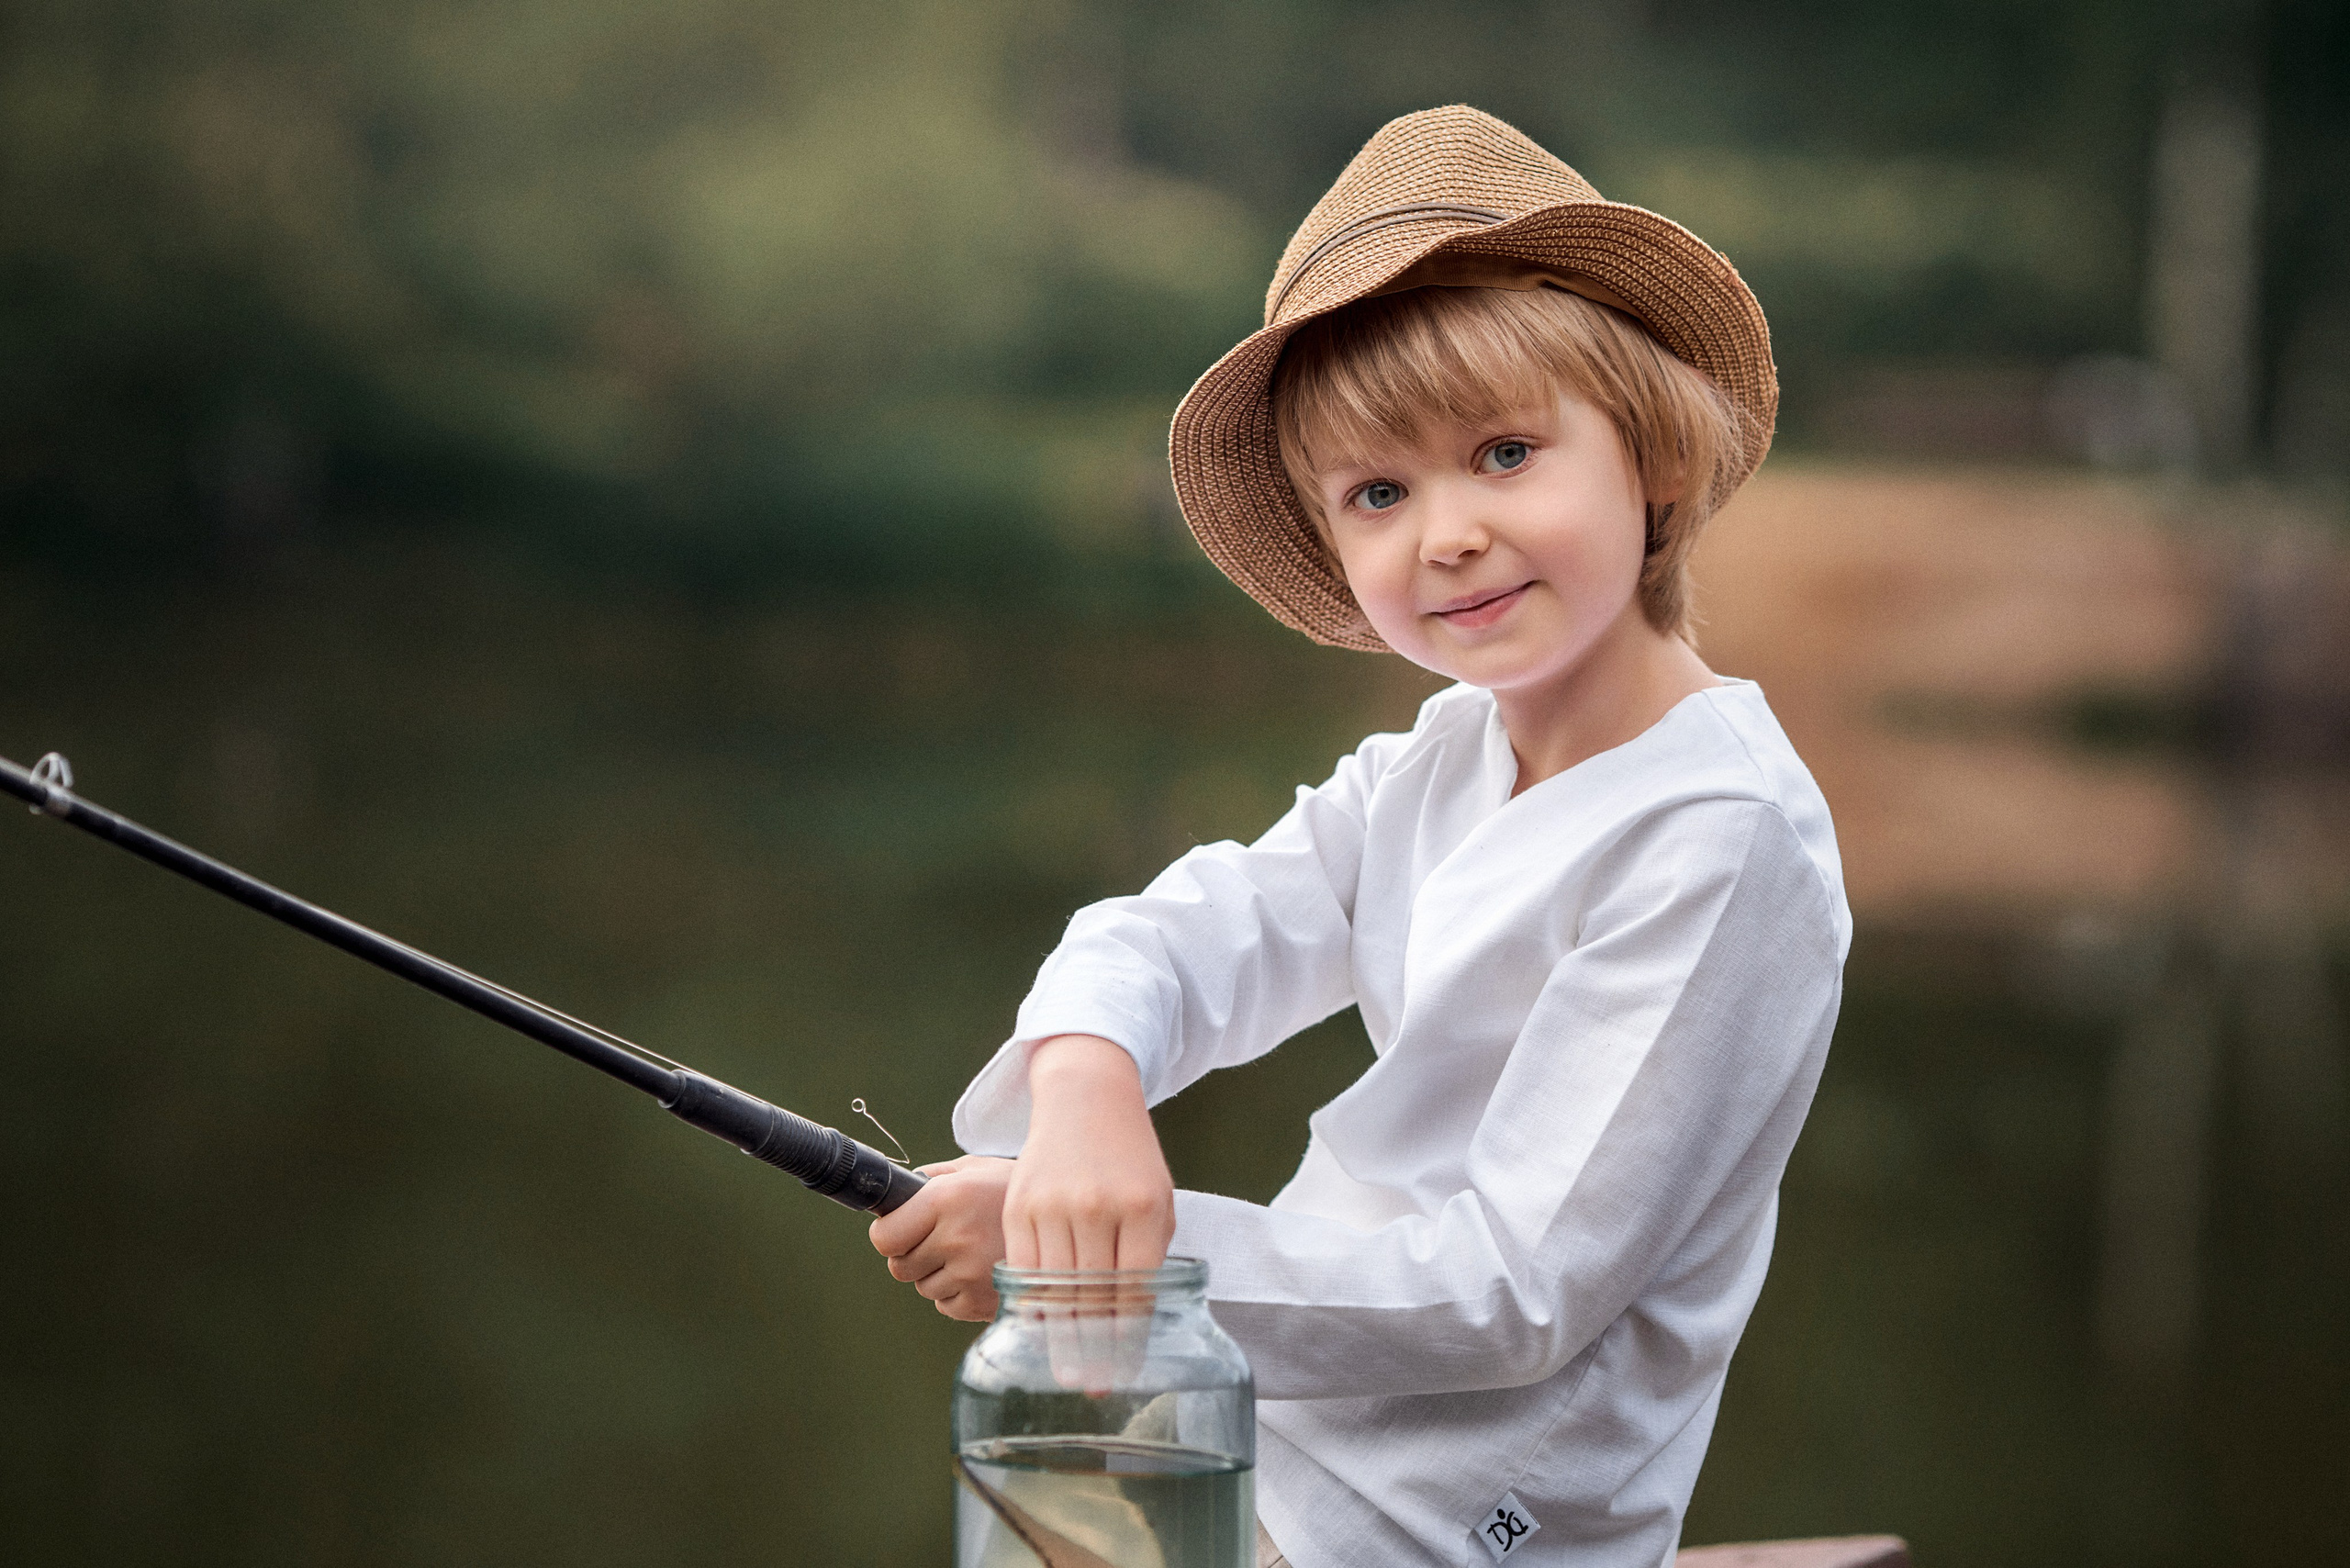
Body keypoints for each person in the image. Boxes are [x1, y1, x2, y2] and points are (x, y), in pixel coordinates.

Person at [869, 105, 1850, 1568]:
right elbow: (1190, 932)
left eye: (1505, 452)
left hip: (1473, 1518)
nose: (1444, 532)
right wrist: (1084, 1084)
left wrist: (1114, 1260)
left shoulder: (1720, 835)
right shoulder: (1446, 755)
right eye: (1379, 493)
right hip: (1264, 1425)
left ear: (1650, 456)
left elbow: (1513, 1295)